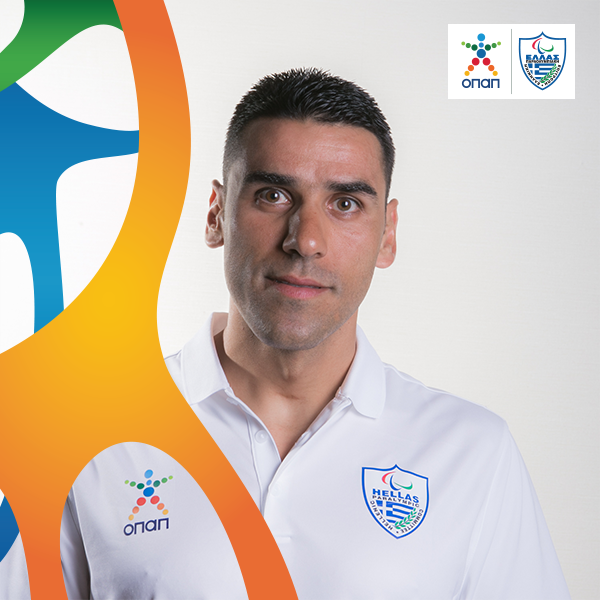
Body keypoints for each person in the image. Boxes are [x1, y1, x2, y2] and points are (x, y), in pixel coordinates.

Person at [59, 68, 570, 599]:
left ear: (387, 234)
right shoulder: (88, 438)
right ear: (216, 215)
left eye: (345, 204)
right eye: (273, 195)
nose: (305, 241)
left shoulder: (472, 452)